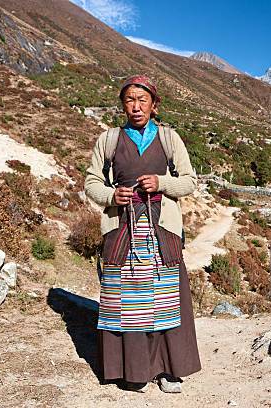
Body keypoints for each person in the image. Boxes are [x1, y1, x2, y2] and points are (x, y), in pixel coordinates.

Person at [84, 74, 201, 393]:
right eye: (129, 100)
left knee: (165, 297)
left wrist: (162, 183)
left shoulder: (169, 138)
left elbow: (190, 181)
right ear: (123, 105)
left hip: (161, 227)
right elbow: (91, 182)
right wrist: (111, 196)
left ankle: (168, 370)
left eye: (142, 100)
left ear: (154, 104)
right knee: (127, 299)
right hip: (122, 226)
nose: (136, 107)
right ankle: (133, 371)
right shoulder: (108, 139)